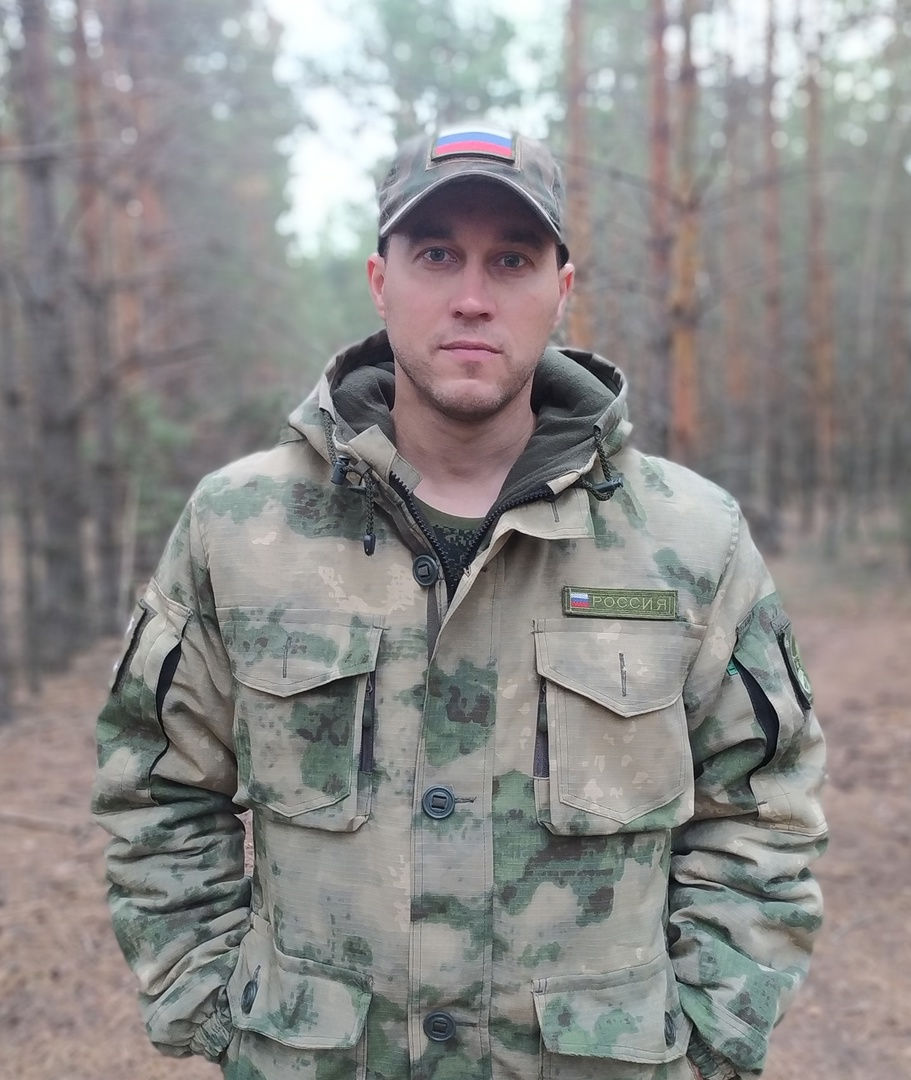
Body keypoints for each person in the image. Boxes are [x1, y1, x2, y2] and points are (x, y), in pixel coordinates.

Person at [92, 124, 827, 1080]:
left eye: (511, 260)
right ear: (380, 280)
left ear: (561, 289)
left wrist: (710, 1037)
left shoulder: (689, 539)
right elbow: (154, 789)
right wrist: (218, 1013)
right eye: (436, 255)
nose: (472, 297)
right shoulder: (241, 527)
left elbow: (763, 810)